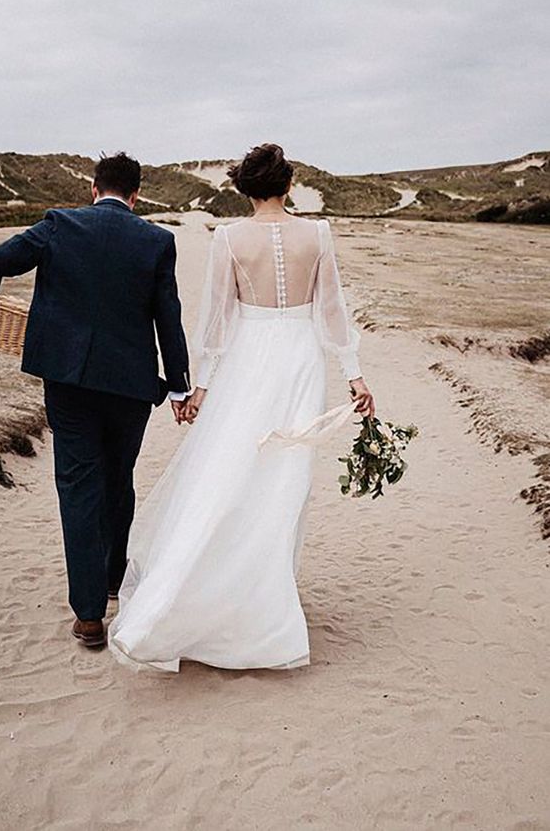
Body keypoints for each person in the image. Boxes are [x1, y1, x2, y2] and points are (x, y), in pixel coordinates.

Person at [108, 143, 374, 672]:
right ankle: (262, 611)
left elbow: (217, 320)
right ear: (288, 185)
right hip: (300, 361)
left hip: (248, 363)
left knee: (229, 473)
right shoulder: (317, 234)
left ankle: (225, 599)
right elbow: (332, 311)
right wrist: (354, 374)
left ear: (244, 189)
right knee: (284, 483)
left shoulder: (229, 238)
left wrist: (201, 384)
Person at [0, 152, 191, 648]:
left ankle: (89, 616)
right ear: (136, 196)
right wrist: (178, 384)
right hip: (132, 388)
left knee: (77, 484)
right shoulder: (157, 241)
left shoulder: (59, 225)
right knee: (119, 477)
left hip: (68, 383)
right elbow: (168, 319)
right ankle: (113, 578)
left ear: (94, 189)